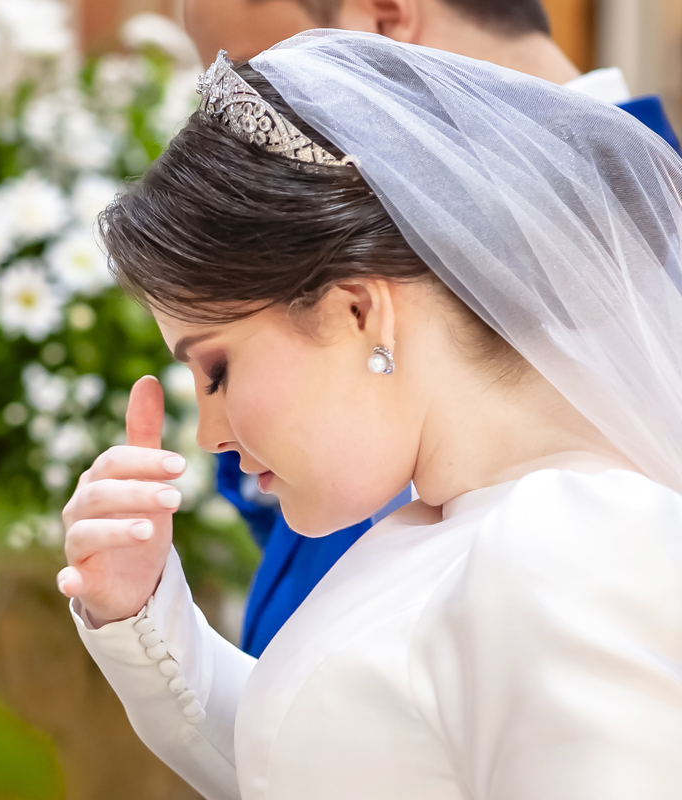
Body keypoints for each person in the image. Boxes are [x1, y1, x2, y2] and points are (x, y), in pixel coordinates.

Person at [59, 32, 682, 800]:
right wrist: (142, 612)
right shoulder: (451, 525)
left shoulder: (564, 546)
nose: (210, 436)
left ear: (357, 311)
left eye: (216, 369)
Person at [182, 0, 681, 658]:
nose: (239, 151)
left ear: (385, 18)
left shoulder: (643, 252)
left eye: (263, 84)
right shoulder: (383, 242)